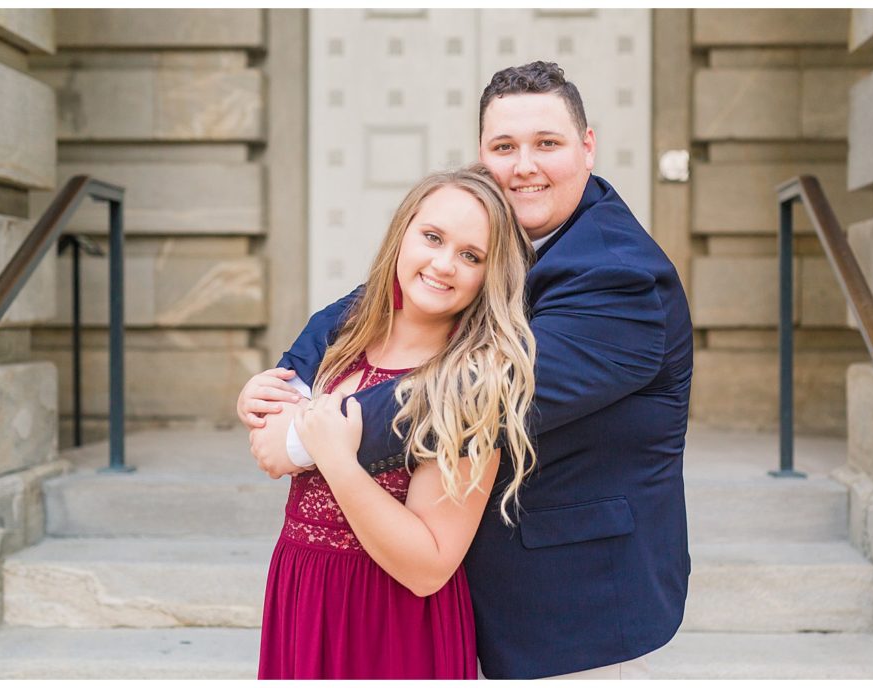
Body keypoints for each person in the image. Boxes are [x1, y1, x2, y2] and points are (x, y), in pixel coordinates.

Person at [241, 61, 693, 680]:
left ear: (588, 147)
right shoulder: (479, 229)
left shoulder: (620, 275)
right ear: (481, 153)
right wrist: (284, 385)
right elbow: (378, 298)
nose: (523, 166)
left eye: (548, 144)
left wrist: (303, 439)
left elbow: (485, 394)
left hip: (572, 601)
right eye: (504, 146)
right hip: (430, 584)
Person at [252, 164, 537, 679]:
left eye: (471, 256)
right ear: (402, 232)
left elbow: (429, 567)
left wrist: (338, 462)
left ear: (489, 278)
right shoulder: (342, 339)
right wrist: (254, 398)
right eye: (432, 237)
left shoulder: (471, 385)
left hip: (393, 617)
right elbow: (271, 449)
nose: (444, 264)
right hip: (304, 593)